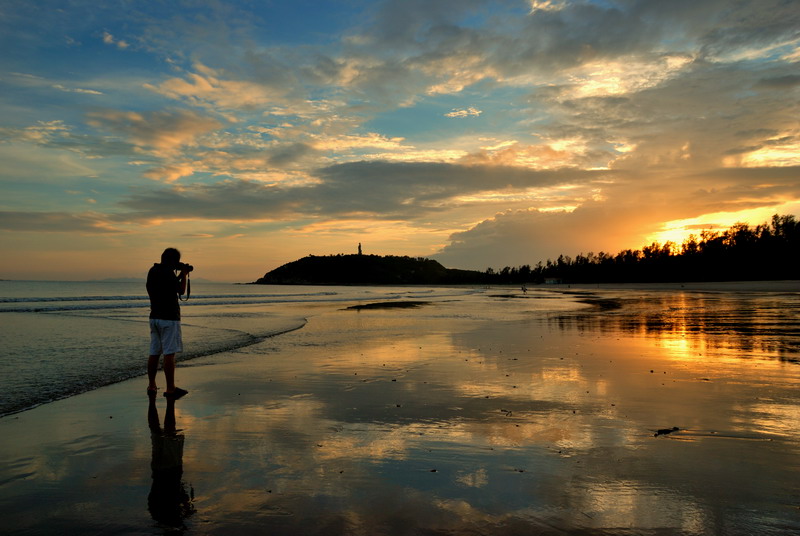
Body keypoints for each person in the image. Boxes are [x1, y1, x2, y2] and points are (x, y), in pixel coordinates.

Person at [147, 247, 190, 399]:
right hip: (169, 318)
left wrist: (177, 274)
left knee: (154, 352)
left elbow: (164, 287)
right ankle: (170, 388)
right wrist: (184, 275)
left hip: (154, 317)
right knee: (169, 354)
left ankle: (152, 385)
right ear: (173, 261)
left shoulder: (153, 271)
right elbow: (181, 290)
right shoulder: (168, 272)